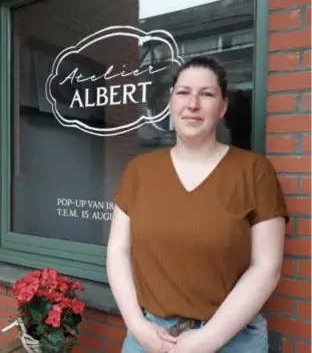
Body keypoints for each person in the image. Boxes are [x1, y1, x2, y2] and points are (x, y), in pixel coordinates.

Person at [106, 56, 288, 353]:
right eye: (183, 92)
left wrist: (208, 339)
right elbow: (118, 250)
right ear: (170, 102)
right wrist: (137, 326)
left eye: (207, 94)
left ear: (223, 107)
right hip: (149, 336)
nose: (193, 104)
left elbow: (267, 266)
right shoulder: (139, 171)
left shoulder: (254, 171)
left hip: (233, 338)